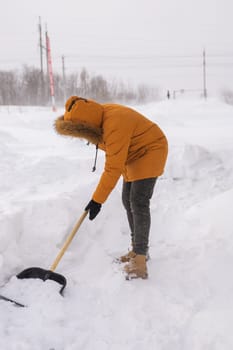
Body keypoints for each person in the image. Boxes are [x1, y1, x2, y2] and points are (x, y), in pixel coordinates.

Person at [55, 96, 168, 279]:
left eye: (83, 133)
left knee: (138, 201)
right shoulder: (100, 117)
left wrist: (97, 201)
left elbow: (113, 167)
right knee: (127, 199)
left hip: (150, 150)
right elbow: (116, 158)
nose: (84, 138)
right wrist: (97, 200)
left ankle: (140, 259)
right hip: (133, 153)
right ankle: (137, 249)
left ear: (88, 125)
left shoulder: (114, 124)